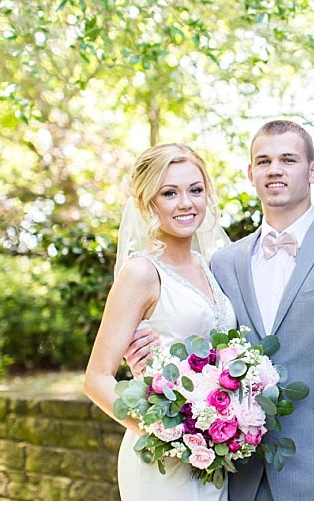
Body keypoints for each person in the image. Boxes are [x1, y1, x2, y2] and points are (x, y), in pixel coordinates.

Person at [126, 120, 314, 501]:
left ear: (313, 170)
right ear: (251, 173)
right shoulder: (222, 262)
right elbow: (201, 346)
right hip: (239, 474)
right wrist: (149, 367)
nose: (275, 170)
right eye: (264, 161)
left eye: (288, 159)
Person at [83, 143, 233, 500]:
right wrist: (171, 436)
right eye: (170, 193)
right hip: (163, 460)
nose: (186, 203)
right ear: (148, 202)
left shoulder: (211, 266)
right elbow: (96, 379)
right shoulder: (141, 272)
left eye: (195, 190)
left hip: (215, 457)